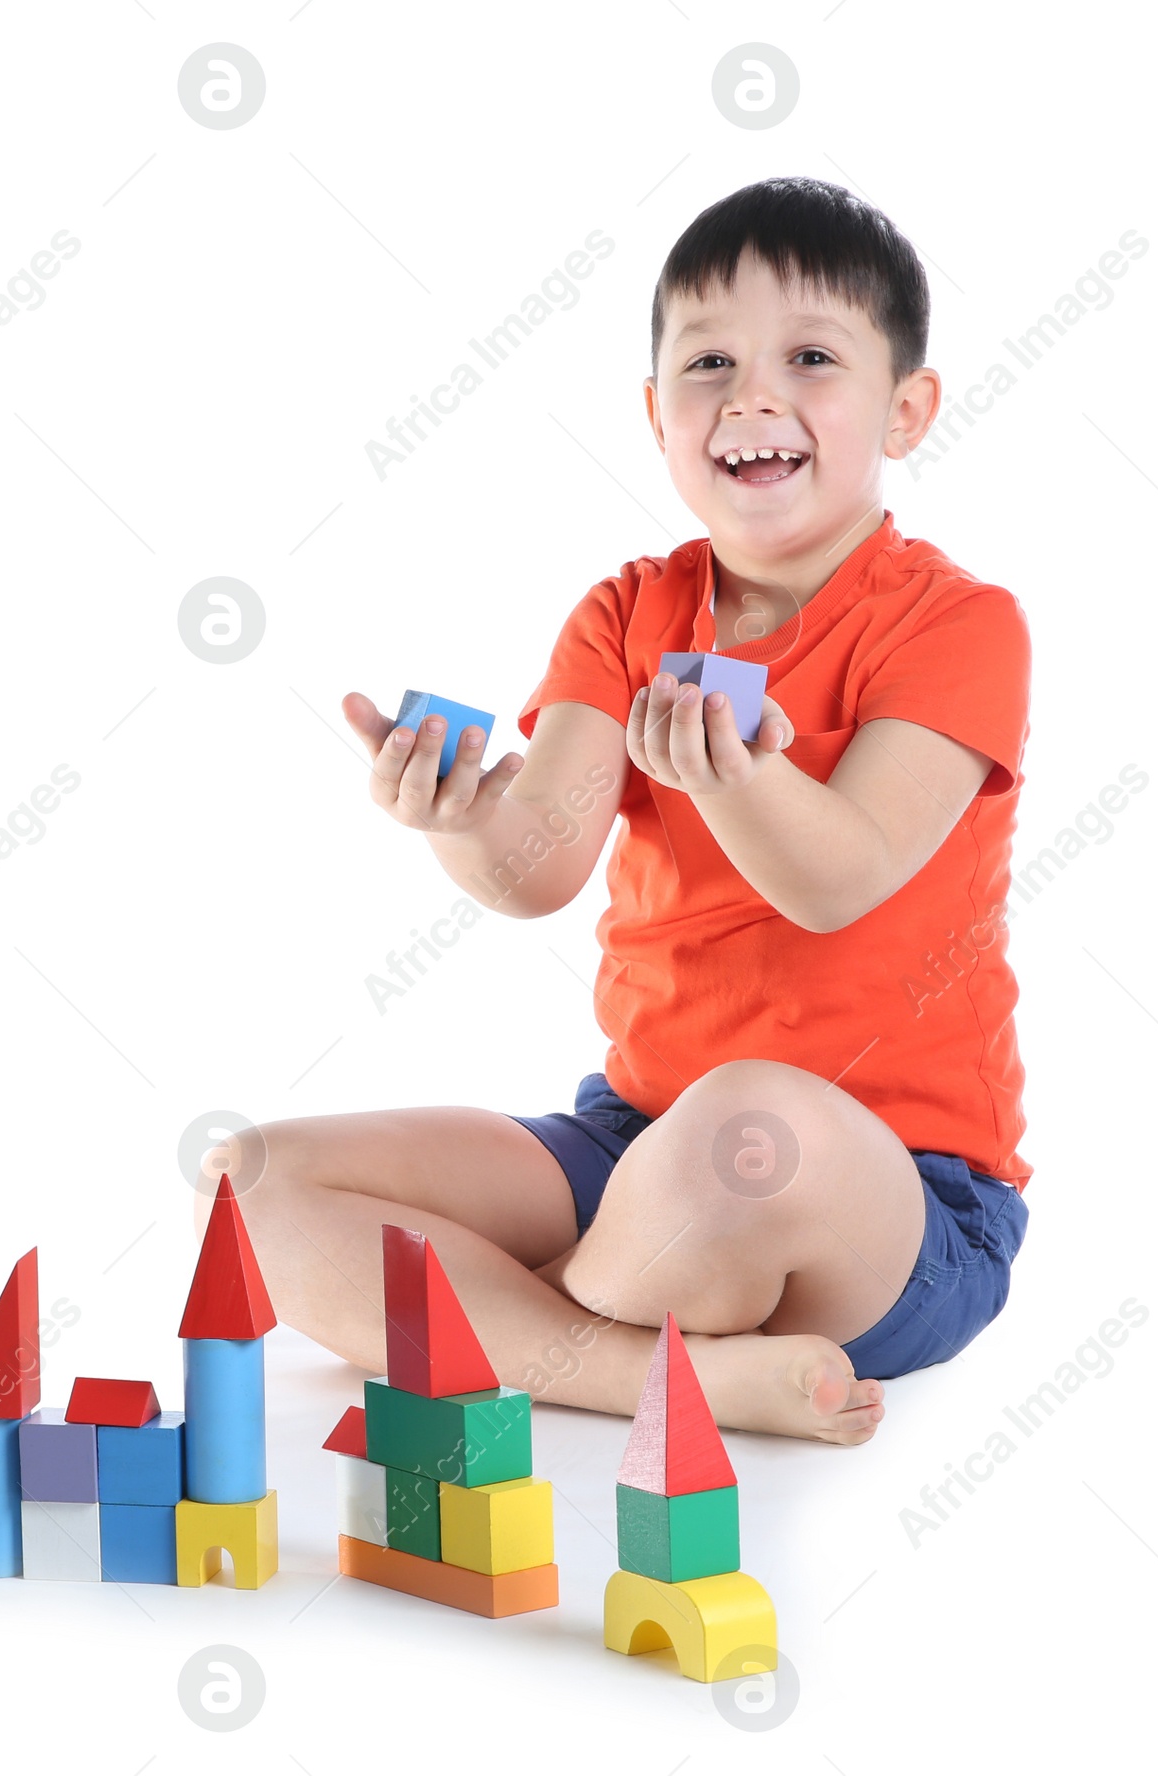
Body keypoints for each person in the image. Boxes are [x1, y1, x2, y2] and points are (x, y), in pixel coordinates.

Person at [209, 176, 1031, 1444]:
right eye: (709, 363)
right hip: (633, 1139)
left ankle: (491, 1335)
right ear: (657, 416)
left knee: (750, 1123)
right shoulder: (628, 614)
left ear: (906, 409)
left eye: (810, 357)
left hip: (895, 1195)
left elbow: (839, 877)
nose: (752, 397)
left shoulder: (959, 625)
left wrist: (737, 779)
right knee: (254, 1176)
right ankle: (642, 1374)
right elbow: (537, 867)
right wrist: (452, 817)